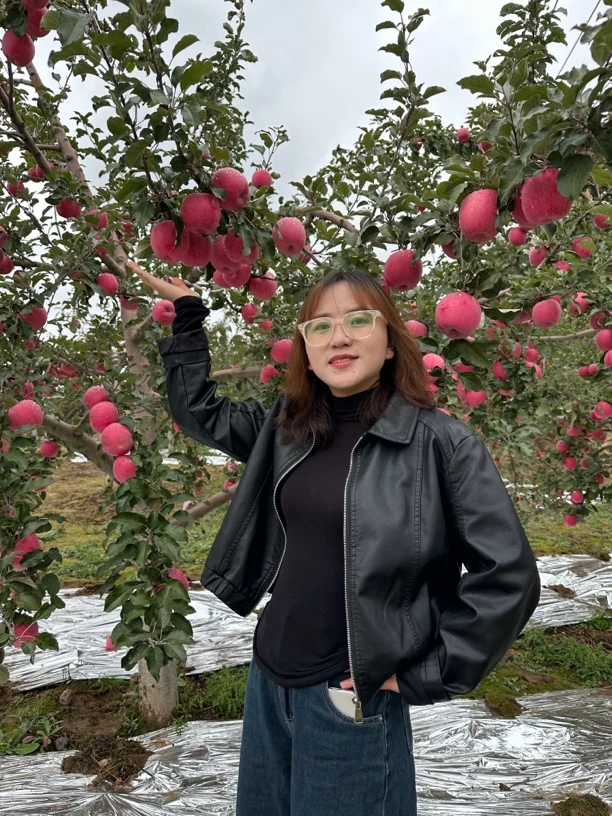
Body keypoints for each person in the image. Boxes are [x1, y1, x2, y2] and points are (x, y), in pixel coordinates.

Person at [128, 261, 541, 816]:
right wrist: (188, 316)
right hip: (269, 680)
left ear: (391, 343)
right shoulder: (288, 428)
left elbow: (508, 578)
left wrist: (428, 673)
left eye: (357, 320)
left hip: (349, 696)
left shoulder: (440, 444)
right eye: (319, 325)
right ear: (305, 345)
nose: (338, 337)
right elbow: (199, 410)